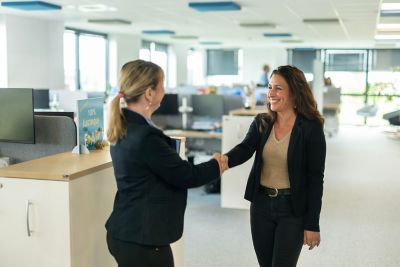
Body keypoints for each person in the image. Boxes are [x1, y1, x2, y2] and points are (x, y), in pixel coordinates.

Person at [105, 59, 228, 267]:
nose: (165, 91)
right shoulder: (146, 136)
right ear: (149, 94)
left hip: (127, 231)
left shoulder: (125, 127)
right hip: (142, 238)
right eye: (162, 86)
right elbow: (186, 175)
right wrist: (217, 164)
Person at [224, 65, 326, 267]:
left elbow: (315, 179)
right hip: (261, 205)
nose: (270, 93)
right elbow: (244, 149)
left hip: (292, 209)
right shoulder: (263, 122)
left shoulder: (310, 128)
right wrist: (221, 161)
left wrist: (312, 224)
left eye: (278, 88)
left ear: (295, 92)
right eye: (270, 87)